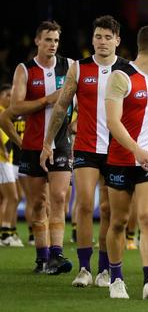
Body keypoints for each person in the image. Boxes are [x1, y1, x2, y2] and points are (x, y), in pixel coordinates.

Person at [40, 15, 126, 287]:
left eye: (108, 37)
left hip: (117, 150)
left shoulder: (128, 70)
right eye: (98, 36)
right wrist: (47, 142)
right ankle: (85, 269)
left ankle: (104, 269)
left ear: (117, 41)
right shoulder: (79, 68)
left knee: (109, 210)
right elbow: (62, 106)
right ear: (92, 39)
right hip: (87, 147)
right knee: (85, 205)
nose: (102, 42)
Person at [103, 23, 148, 300]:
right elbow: (112, 122)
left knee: (147, 218)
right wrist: (135, 150)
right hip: (120, 160)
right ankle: (115, 279)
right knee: (118, 221)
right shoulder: (121, 76)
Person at [11, 20, 74, 274]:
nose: (52, 45)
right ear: (37, 41)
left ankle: (57, 255)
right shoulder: (24, 70)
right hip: (33, 144)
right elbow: (16, 107)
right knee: (38, 203)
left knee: (59, 197)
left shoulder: (69, 66)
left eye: (56, 40)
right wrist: (48, 100)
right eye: (48, 40)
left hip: (60, 144)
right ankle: (42, 258)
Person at [0, 84, 21, 247]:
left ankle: (6, 232)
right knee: (12, 197)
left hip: (6, 160)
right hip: (2, 160)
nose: (9, 98)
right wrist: (4, 151)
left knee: (4, 199)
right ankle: (6, 235)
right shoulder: (1, 112)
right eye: (7, 95)